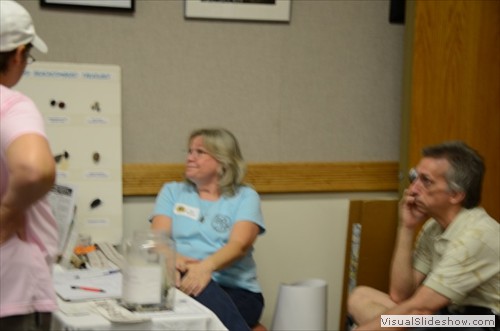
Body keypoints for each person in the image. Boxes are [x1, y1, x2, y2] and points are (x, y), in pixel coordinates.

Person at [347, 141, 499, 331]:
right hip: (450, 316)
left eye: (426, 181)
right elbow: (400, 295)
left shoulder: (476, 235)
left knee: (412, 318)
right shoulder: (433, 227)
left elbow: (419, 305)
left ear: (456, 195)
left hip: (484, 321)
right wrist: (406, 227)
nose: (412, 189)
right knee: (360, 297)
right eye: (414, 177)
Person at [151, 128, 266, 331]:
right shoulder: (172, 191)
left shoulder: (245, 197)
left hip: (235, 290)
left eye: (199, 152)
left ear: (223, 160)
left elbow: (239, 246)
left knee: (201, 288)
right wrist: (173, 258)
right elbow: (159, 239)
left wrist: (204, 268)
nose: (190, 158)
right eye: (189, 151)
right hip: (179, 282)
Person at [0, 1, 59, 330]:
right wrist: (7, 215)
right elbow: (35, 169)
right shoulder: (11, 105)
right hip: (11, 288)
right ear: (19, 54)